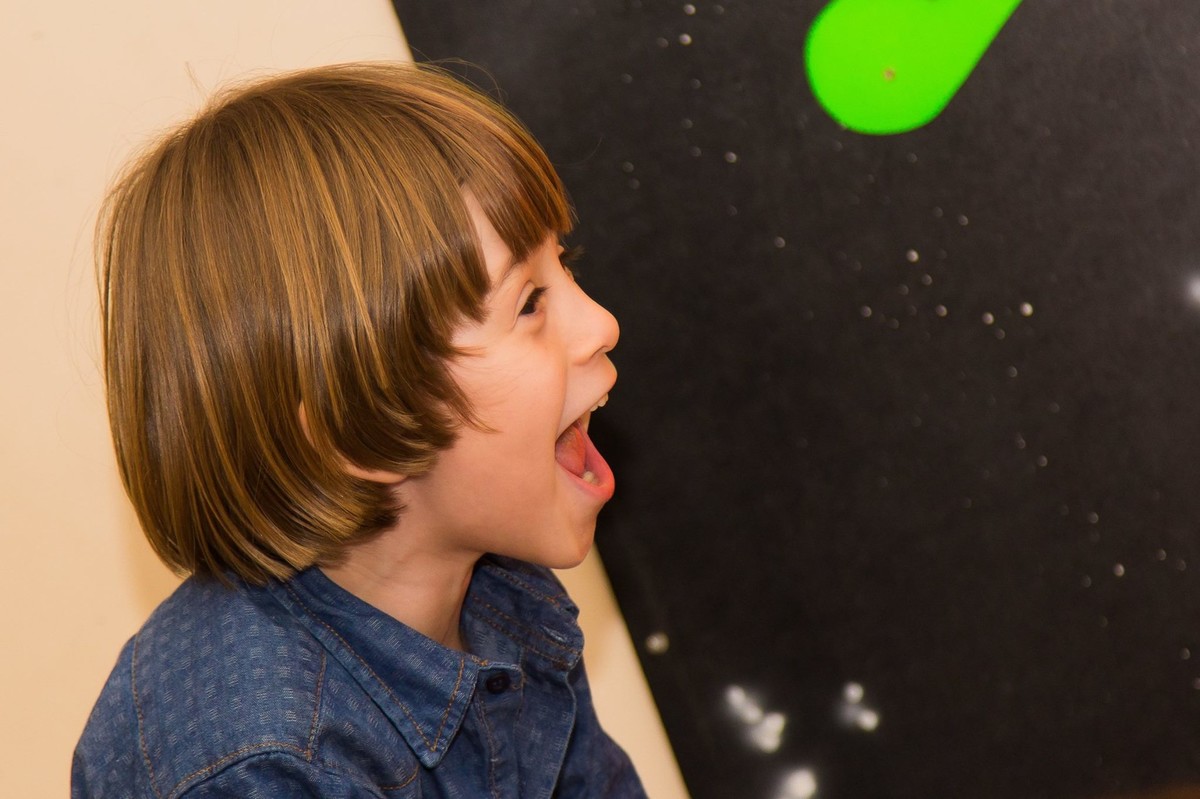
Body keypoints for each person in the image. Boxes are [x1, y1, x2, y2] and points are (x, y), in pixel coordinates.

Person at [72, 61, 646, 798]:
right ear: (359, 428)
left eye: (564, 266)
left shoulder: (502, 595)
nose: (602, 324)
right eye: (530, 301)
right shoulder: (260, 762)